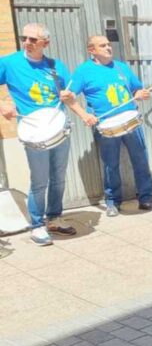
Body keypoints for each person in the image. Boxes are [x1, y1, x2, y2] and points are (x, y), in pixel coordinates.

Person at [0, 23, 86, 245]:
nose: (27, 43)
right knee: (39, 181)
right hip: (33, 131)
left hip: (57, 128)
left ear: (45, 43)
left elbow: (68, 96)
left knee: (58, 178)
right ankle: (37, 225)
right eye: (24, 38)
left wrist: (81, 111)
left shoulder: (55, 66)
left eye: (32, 40)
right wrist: (3, 105)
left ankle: (54, 218)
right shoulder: (9, 63)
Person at [68, 35, 152, 217]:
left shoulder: (121, 67)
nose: (108, 48)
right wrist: (85, 115)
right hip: (106, 126)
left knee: (141, 160)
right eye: (102, 46)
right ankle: (112, 201)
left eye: (108, 44)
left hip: (131, 122)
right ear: (92, 50)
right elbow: (69, 97)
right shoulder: (83, 71)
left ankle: (146, 198)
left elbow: (136, 89)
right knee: (111, 164)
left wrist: (140, 94)